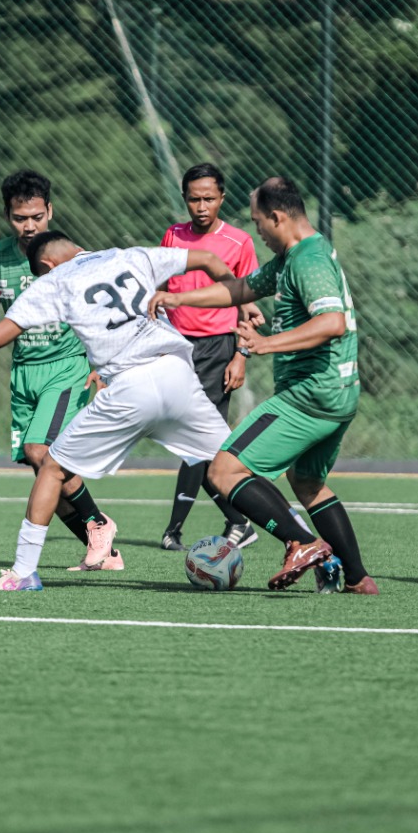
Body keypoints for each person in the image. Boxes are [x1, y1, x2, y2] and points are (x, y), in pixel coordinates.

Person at [0, 232, 331, 591]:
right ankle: (306, 544)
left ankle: (23, 573)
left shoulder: (54, 281)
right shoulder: (130, 255)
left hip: (129, 388)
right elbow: (207, 259)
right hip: (177, 376)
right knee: (232, 468)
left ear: (46, 264)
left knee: (53, 468)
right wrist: (241, 301)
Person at [149, 176, 376, 595]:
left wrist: (265, 343)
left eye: (258, 223)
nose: (258, 232)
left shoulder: (307, 260)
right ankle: (359, 579)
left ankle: (303, 543)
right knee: (306, 483)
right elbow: (240, 288)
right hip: (340, 394)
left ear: (277, 217)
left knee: (224, 469)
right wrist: (179, 298)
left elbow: (332, 323)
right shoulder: (300, 254)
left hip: (310, 394)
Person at [0, 170, 121, 570]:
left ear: (50, 211)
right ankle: (104, 548)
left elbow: (102, 312)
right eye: (21, 217)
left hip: (66, 368)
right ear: (8, 216)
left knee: (44, 453)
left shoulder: (74, 256)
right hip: (24, 373)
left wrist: (101, 367)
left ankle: (98, 526)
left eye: (37, 215)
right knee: (41, 466)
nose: (29, 225)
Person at [157, 162, 265, 551]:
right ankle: (237, 521)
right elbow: (164, 286)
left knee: (197, 437)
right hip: (176, 346)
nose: (200, 206)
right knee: (190, 435)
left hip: (217, 348)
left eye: (208, 198)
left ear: (222, 198)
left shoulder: (238, 242)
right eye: (193, 199)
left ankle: (180, 529)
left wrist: (240, 356)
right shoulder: (173, 235)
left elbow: (246, 301)